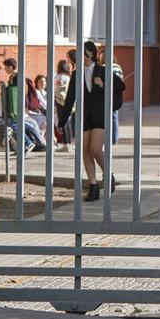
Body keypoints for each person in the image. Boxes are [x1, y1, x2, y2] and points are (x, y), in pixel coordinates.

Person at [61, 41, 121, 202]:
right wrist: (62, 122)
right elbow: (69, 99)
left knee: (95, 149)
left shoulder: (103, 71)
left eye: (81, 52)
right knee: (85, 151)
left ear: (90, 54)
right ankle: (93, 186)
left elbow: (121, 86)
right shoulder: (76, 74)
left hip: (100, 116)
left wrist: (103, 85)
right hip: (84, 116)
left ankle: (108, 175)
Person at [1, 58, 46, 153]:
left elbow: (22, 92)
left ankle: (28, 143)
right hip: (13, 107)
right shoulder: (12, 77)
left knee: (15, 125)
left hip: (18, 107)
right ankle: (27, 144)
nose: (5, 69)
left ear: (10, 66)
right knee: (18, 125)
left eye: (6, 67)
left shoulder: (18, 77)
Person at [53, 59, 73, 151]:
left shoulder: (59, 77)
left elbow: (58, 86)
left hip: (61, 101)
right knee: (68, 122)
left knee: (63, 123)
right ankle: (69, 143)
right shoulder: (69, 77)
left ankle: (65, 144)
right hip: (69, 101)